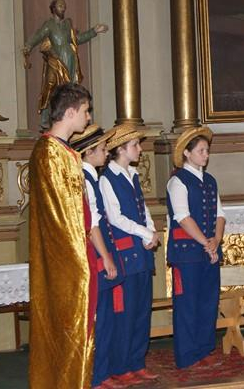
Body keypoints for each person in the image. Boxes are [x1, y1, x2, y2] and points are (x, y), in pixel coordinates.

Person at [28, 82, 95, 389]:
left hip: (77, 254)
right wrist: (80, 263)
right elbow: (62, 218)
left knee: (79, 329)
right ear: (70, 112)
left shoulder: (64, 152)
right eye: (86, 111)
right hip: (68, 262)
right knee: (69, 328)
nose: (88, 117)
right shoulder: (50, 154)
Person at [99, 125, 160, 384]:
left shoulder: (133, 175)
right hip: (125, 255)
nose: (140, 149)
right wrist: (144, 233)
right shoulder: (107, 179)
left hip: (141, 254)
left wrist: (151, 232)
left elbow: (143, 209)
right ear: (121, 149)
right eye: (135, 145)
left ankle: (137, 362)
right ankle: (120, 365)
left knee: (141, 312)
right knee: (124, 314)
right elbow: (115, 218)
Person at [69, 124, 126, 389]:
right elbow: (92, 225)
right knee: (99, 320)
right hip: (95, 258)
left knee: (105, 318)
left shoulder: (90, 177)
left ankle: (101, 372)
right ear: (89, 152)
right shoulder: (85, 180)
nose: (106, 153)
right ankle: (96, 376)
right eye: (102, 148)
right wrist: (107, 257)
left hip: (99, 256)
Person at [166, 126, 227, 368]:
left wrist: (216, 240)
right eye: (201, 151)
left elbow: (220, 214)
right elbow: (183, 217)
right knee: (187, 304)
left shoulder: (210, 181)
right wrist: (206, 243)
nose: (206, 155)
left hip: (209, 250)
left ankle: (204, 348)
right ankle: (187, 354)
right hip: (187, 254)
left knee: (208, 302)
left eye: (207, 151)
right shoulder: (177, 181)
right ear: (187, 153)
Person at [23, 0, 108, 128]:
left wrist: (94, 31)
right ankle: (46, 117)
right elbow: (39, 35)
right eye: (60, 5)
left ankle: (67, 116)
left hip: (69, 60)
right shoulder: (49, 25)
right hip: (55, 61)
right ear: (53, 8)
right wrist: (29, 45)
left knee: (68, 90)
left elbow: (76, 39)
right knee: (50, 87)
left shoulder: (67, 24)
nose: (63, 8)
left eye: (64, 6)